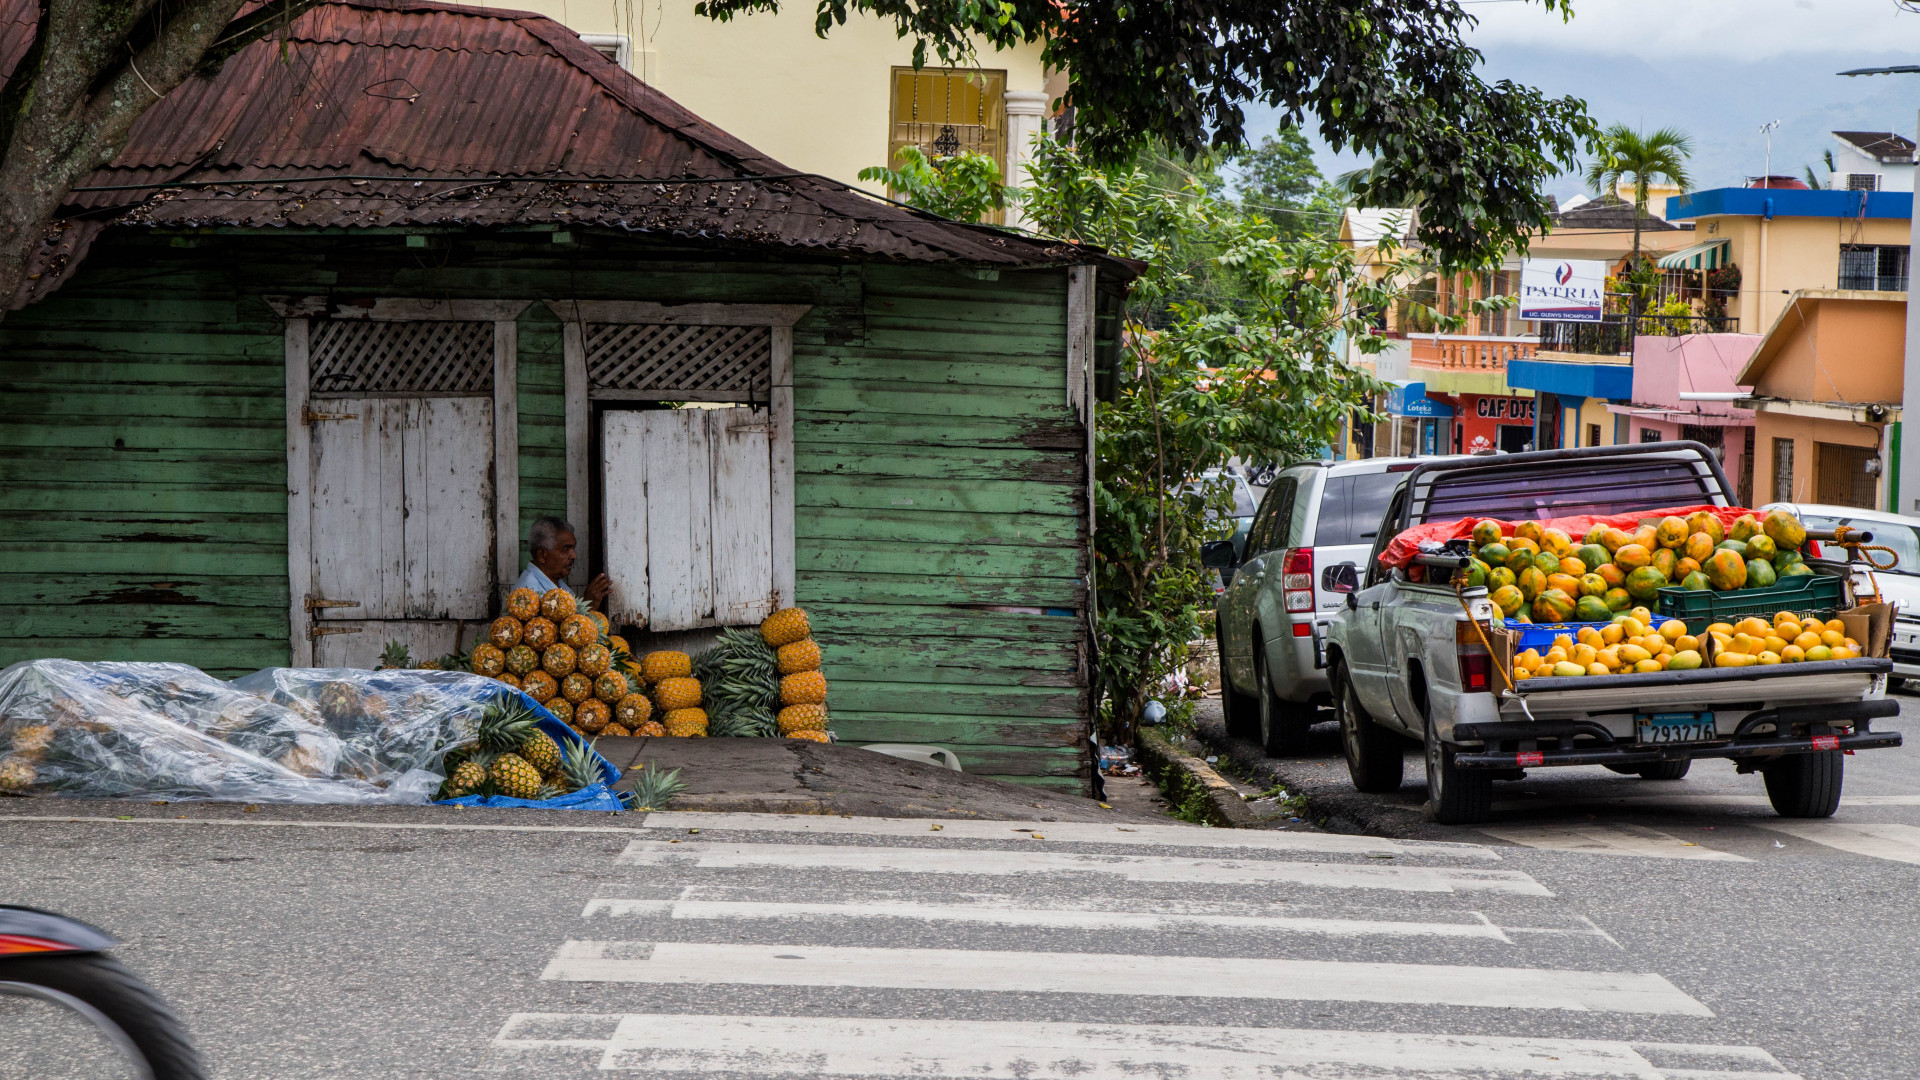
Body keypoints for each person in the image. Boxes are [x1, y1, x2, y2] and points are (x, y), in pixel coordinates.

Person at [516, 517, 612, 609]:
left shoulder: (555, 580)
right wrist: (589, 607)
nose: (574, 556)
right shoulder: (530, 594)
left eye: (573, 548)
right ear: (542, 555)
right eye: (565, 549)